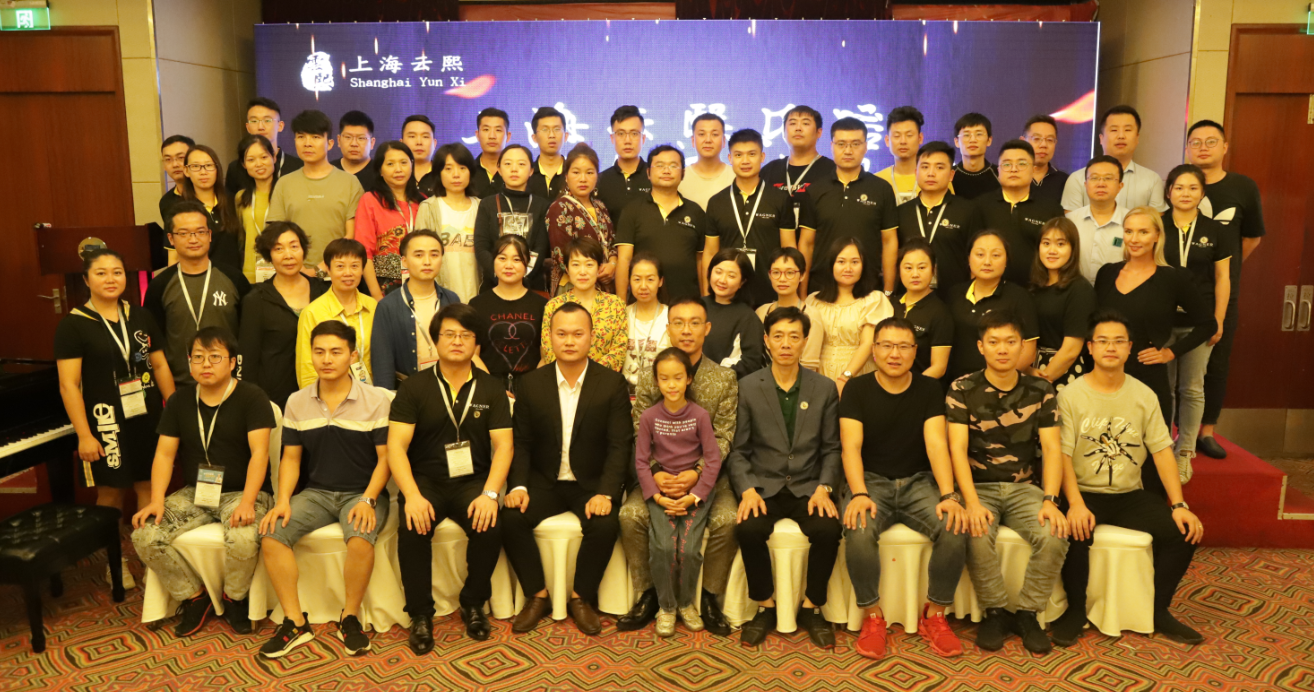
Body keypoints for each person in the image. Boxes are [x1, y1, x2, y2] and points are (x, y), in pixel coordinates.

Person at [1050, 311, 1206, 647]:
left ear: (1130, 347)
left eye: (1119, 341)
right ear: (1090, 347)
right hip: (1083, 491)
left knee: (1183, 532)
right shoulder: (1070, 396)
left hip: (1129, 494)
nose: (1111, 347)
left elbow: (1162, 451)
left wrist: (1179, 504)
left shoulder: (1144, 395)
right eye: (1103, 341)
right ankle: (1075, 611)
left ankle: (1158, 610)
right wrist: (1074, 503)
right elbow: (1061, 457)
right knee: (1074, 531)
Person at [257, 321, 392, 659]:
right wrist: (283, 501)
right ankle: (295, 621)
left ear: (352, 356)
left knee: (359, 536)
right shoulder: (297, 401)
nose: (327, 359)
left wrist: (368, 499)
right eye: (319, 352)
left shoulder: (376, 400)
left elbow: (386, 459)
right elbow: (290, 458)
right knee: (271, 534)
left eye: (335, 352)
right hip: (316, 493)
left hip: (362, 492)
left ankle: (350, 617)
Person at [130, 327, 275, 637]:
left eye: (214, 357)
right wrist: (156, 500)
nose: (205, 364)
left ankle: (234, 599)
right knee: (144, 534)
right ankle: (194, 598)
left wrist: (248, 502)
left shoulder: (252, 397)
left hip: (242, 492)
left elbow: (260, 455)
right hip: (197, 492)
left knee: (243, 537)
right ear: (189, 362)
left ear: (233, 362)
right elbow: (164, 455)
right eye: (198, 357)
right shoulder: (180, 400)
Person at [387, 304, 513, 651]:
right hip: (424, 481)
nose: (457, 341)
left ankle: (473, 602)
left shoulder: (491, 388)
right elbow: (396, 447)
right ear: (436, 340)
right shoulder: (414, 387)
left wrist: (490, 494)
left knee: (490, 524)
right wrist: (412, 496)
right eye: (449, 335)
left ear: (476, 344)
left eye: (465, 335)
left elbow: (504, 446)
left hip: (473, 481)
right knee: (412, 527)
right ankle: (420, 614)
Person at [501, 303, 632, 635]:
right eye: (561, 334)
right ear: (549, 337)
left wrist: (606, 493)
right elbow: (522, 443)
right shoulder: (531, 384)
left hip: (590, 484)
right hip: (544, 482)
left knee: (605, 524)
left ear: (591, 337)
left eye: (577, 333)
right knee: (510, 518)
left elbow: (619, 445)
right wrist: (518, 487)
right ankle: (537, 595)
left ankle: (580, 597)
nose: (569, 341)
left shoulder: (611, 383)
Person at [842, 316, 968, 659]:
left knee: (954, 524)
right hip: (871, 481)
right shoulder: (856, 389)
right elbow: (850, 447)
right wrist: (859, 493)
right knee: (858, 528)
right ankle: (872, 617)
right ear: (874, 350)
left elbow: (936, 444)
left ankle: (935, 614)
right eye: (886, 345)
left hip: (918, 481)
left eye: (903, 346)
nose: (894, 354)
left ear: (915, 351)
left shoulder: (929, 389)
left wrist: (949, 494)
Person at [948, 312, 1069, 654]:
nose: (1002, 349)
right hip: (978, 488)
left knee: (1055, 533)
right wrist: (971, 502)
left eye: (1010, 342)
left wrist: (1050, 499)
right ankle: (995, 612)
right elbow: (956, 449)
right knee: (975, 531)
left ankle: (1028, 614)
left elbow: (1052, 448)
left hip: (1024, 489)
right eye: (994, 342)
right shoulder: (962, 388)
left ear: (1023, 347)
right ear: (981, 347)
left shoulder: (1040, 389)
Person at [618, 297, 739, 637]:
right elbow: (638, 430)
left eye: (695, 323)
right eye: (679, 323)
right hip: (658, 475)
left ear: (707, 328)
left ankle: (709, 597)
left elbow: (724, 436)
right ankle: (649, 595)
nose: (687, 330)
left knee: (729, 519)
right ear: (668, 328)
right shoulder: (650, 376)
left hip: (710, 477)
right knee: (629, 515)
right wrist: (656, 473)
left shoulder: (724, 378)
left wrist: (696, 474)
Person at [57, 249, 176, 589]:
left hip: (147, 416)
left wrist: (175, 410)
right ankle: (116, 563)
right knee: (110, 494)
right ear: (86, 279)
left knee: (148, 487)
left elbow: (159, 364)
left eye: (117, 272)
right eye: (101, 273)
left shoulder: (140, 316)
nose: (111, 279)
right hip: (105, 422)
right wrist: (84, 435)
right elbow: (68, 385)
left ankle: (151, 560)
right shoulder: (73, 324)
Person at [730, 308, 842, 649]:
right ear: (766, 340)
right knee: (748, 528)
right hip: (764, 485)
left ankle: (812, 607)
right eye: (778, 336)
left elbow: (832, 448)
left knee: (828, 530)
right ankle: (765, 605)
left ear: (805, 341)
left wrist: (824, 488)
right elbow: (738, 450)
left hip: (808, 485)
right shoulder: (748, 386)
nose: (786, 344)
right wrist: (748, 489)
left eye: (794, 337)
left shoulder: (824, 388)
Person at [1094, 207, 1214, 488]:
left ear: (1157, 236)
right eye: (1129, 231)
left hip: (1147, 376)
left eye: (1143, 232)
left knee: (1147, 453)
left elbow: (1207, 324)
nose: (1134, 238)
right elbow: (1094, 323)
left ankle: (1153, 504)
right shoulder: (1107, 273)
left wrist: (1170, 352)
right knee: (1104, 449)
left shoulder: (1173, 278)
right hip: (1106, 375)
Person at [1186, 119, 1265, 460]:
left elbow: (1252, 238)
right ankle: (1174, 429)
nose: (1203, 147)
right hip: (1181, 290)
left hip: (1221, 291)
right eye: (1196, 142)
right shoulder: (1180, 182)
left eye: (1211, 141)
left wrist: (1225, 270)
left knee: (1217, 360)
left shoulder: (1242, 187)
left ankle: (1206, 431)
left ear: (1224, 147)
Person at [635, 347, 723, 636]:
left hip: (694, 493)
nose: (671, 385)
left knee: (688, 549)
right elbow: (641, 460)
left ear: (689, 379)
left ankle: (686, 603)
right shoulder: (649, 417)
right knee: (662, 547)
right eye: (664, 379)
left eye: (677, 378)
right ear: (656, 381)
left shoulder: (699, 415)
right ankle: (667, 606)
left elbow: (713, 459)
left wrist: (693, 496)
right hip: (661, 493)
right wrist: (658, 497)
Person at [1162, 164, 1235, 471]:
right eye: (1179, 187)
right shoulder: (1156, 224)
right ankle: (1162, 448)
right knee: (1163, 389)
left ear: (1202, 193)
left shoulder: (1215, 230)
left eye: (1193, 188)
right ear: (1168, 192)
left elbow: (1222, 278)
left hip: (1199, 322)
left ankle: (1185, 452)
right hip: (1161, 320)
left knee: (1191, 388)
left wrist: (1218, 319)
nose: (1185, 193)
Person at [145, 202, 251, 385]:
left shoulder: (235, 279)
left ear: (209, 235)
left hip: (231, 385)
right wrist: (171, 397)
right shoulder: (159, 286)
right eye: (184, 233)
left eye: (200, 232)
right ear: (171, 239)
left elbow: (248, 338)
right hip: (181, 387)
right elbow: (156, 351)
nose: (193, 239)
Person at [704, 129, 802, 306]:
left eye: (752, 154)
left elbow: (788, 248)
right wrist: (707, 298)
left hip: (769, 291)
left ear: (762, 156)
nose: (745, 161)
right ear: (730, 158)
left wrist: (790, 294)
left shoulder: (780, 198)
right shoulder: (717, 202)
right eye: (738, 155)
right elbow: (710, 252)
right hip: (727, 293)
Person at [239, 222, 329, 409]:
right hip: (275, 400)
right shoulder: (256, 299)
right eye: (278, 249)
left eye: (294, 246)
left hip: (323, 393)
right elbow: (248, 359)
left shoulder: (323, 292)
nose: (288, 255)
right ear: (269, 255)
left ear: (303, 250)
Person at [805, 118, 897, 295]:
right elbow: (807, 244)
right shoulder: (815, 190)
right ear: (831, 146)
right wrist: (802, 294)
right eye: (841, 144)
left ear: (866, 146)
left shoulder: (881, 189)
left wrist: (888, 291)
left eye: (855, 144)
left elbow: (889, 242)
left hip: (869, 289)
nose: (848, 150)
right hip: (821, 288)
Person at [267, 110, 365, 272]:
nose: (307, 143)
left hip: (339, 273)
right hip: (295, 273)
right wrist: (300, 269)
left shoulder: (350, 183)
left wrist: (321, 269)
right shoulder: (284, 183)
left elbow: (352, 235)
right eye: (301, 137)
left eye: (315, 137)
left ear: (330, 143)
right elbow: (276, 234)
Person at [614, 144, 709, 303]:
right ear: (648, 173)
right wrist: (621, 305)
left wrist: (707, 301)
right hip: (644, 303)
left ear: (683, 173)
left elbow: (701, 261)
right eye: (659, 165)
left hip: (687, 303)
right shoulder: (632, 210)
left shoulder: (696, 212)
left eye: (673, 166)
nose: (666, 170)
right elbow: (624, 260)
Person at [371, 230, 461, 391]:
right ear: (404, 261)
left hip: (450, 387)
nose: (427, 261)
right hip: (407, 391)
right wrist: (385, 397)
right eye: (419, 255)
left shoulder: (452, 299)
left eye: (434, 255)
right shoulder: (388, 306)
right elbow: (382, 362)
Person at [944, 230, 1039, 381]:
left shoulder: (1019, 297)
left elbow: (1028, 352)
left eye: (996, 255)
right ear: (969, 258)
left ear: (1006, 260)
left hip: (999, 384)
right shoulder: (954, 294)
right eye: (980, 254)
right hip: (954, 383)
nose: (987, 261)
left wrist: (995, 382)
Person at [802, 238, 893, 392]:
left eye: (855, 262)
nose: (848, 268)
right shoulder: (813, 300)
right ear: (831, 265)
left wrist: (845, 377)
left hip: (858, 374)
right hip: (819, 374)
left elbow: (867, 344)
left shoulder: (874, 299)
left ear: (863, 266)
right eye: (841, 262)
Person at [975, 139, 1066, 285]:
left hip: (1037, 288)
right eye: (1007, 164)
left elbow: (1060, 252)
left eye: (1022, 164)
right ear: (998, 170)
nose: (1014, 169)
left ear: (1033, 169)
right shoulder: (981, 205)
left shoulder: (1051, 208)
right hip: (990, 288)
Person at [895, 141, 977, 297]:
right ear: (916, 172)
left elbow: (975, 257)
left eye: (939, 167)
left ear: (951, 175)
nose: (931, 173)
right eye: (925, 167)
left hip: (955, 297)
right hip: (909, 297)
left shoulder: (968, 210)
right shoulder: (901, 212)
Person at [470, 235, 549, 391]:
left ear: (527, 264)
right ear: (493, 261)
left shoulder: (542, 305)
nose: (508, 265)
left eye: (517, 259)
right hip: (488, 387)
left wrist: (531, 387)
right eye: (502, 258)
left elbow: (546, 356)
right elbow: (472, 354)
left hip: (533, 387)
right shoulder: (477, 304)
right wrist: (494, 390)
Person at [296, 238, 378, 388]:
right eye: (340, 266)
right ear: (328, 269)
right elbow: (307, 369)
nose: (348, 273)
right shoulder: (313, 312)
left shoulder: (373, 307)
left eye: (354, 266)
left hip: (370, 394)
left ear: (362, 269)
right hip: (329, 395)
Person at [472, 144, 551, 294]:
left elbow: (541, 248)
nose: (514, 169)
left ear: (531, 170)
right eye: (508, 164)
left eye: (521, 164)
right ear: (499, 169)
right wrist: (500, 275)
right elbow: (481, 246)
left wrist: (522, 276)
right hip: (494, 285)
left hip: (531, 286)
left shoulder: (542, 205)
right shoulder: (487, 204)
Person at [1030, 218, 1098, 389]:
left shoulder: (1080, 289)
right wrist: (1027, 372)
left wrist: (1041, 383)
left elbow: (1071, 350)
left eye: (1060, 244)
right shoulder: (1034, 287)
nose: (1052, 250)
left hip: (1062, 373)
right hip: (1031, 370)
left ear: (1072, 249)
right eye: (1046, 243)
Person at [540, 237, 626, 372]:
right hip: (563, 379)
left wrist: (590, 376)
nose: (582, 271)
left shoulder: (615, 305)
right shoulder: (554, 306)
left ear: (599, 268)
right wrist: (573, 375)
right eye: (576, 265)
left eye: (589, 264)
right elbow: (549, 350)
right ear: (567, 269)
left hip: (604, 379)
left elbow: (618, 351)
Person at [1062, 105, 1167, 213]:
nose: (1121, 136)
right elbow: (1071, 222)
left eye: (1127, 130)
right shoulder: (1077, 179)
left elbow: (1156, 222)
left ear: (1137, 138)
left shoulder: (1152, 180)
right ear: (1101, 138)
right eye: (1114, 130)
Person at [354, 141, 424, 299]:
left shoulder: (423, 202)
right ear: (380, 170)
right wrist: (376, 295)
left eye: (403, 162)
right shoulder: (370, 200)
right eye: (390, 164)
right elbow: (364, 252)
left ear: (412, 165)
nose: (398, 169)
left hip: (422, 281)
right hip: (384, 285)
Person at [547, 143, 617, 294]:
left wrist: (612, 264)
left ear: (597, 176)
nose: (583, 179)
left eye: (589, 172)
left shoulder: (600, 206)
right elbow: (561, 255)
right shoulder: (559, 208)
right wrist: (593, 272)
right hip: (573, 285)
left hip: (604, 284)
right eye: (576, 172)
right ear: (566, 176)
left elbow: (611, 243)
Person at [415, 143, 481, 302]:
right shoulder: (429, 207)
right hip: (440, 296)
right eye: (448, 169)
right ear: (439, 173)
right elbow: (420, 253)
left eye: (462, 168)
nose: (456, 175)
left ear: (470, 172)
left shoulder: (481, 206)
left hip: (477, 294)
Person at [761, 106, 836, 227]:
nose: (798, 128)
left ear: (819, 132)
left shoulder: (832, 171)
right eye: (792, 123)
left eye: (805, 123)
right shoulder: (769, 170)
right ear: (784, 132)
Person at [893, 240, 952, 380]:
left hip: (920, 386)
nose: (915, 274)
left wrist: (909, 386)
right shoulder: (891, 304)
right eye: (908, 268)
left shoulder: (940, 312)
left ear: (933, 269)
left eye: (921, 267)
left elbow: (939, 367)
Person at [703, 248, 767, 379]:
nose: (722, 280)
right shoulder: (696, 306)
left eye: (731, 276)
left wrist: (714, 378)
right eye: (718, 272)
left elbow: (751, 363)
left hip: (725, 385)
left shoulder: (748, 318)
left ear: (742, 282)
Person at [179, 144, 243, 272]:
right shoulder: (181, 209)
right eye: (196, 166)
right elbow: (175, 256)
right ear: (186, 171)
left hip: (235, 278)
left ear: (217, 169)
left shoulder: (233, 201)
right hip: (200, 278)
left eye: (209, 165)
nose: (203, 172)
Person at [1066, 155, 1129, 284]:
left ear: (1120, 186)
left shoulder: (1131, 222)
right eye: (1094, 178)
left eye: (1108, 178)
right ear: (1085, 184)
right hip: (1076, 292)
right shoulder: (1070, 221)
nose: (1101, 184)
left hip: (1118, 292)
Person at [226, 97, 303, 193]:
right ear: (248, 128)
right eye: (254, 121)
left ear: (280, 126)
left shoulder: (298, 167)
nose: (260, 127)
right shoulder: (235, 169)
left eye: (267, 120)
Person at [596, 105, 651, 229]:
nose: (627, 140)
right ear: (612, 138)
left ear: (643, 138)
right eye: (621, 133)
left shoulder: (656, 176)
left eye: (634, 133)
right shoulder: (600, 180)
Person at [622, 253, 671, 389]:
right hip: (625, 390)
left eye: (650, 279)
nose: (643, 286)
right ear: (630, 281)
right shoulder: (621, 315)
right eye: (637, 279)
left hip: (661, 390)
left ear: (660, 281)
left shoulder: (671, 316)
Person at [234, 134, 277, 283]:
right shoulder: (241, 197)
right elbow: (241, 237)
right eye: (251, 160)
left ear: (274, 158)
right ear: (244, 164)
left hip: (282, 271)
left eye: (264, 157)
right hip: (250, 272)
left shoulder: (285, 193)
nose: (258, 164)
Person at [679, 113, 735, 210]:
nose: (708, 140)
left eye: (715, 134)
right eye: (701, 134)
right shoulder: (679, 177)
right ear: (693, 140)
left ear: (724, 141)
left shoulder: (736, 177)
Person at [875, 106, 926, 205]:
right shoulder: (876, 181)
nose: (903, 141)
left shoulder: (935, 179)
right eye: (897, 136)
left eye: (909, 135)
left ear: (920, 138)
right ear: (887, 140)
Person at [950, 113, 1000, 200]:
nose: (973, 140)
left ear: (989, 140)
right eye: (966, 135)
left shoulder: (999, 174)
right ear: (956, 142)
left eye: (979, 134)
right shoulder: (948, 176)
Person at [755, 247, 808, 323]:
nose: (782, 279)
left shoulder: (811, 315)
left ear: (802, 275)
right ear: (769, 275)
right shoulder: (761, 312)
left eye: (790, 273)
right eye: (776, 272)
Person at [1023, 114, 1067, 205]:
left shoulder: (1065, 182)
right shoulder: (1010, 176)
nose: (1043, 145)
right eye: (1036, 139)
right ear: (1023, 141)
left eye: (1050, 140)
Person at [330, 110, 378, 190]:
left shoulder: (381, 174)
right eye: (348, 137)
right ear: (339, 140)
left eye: (361, 138)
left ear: (372, 143)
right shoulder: (328, 171)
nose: (354, 143)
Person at [468, 107, 509, 198]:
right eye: (486, 129)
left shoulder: (516, 171)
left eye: (498, 130)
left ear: (508, 136)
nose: (492, 136)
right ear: (477, 135)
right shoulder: (467, 171)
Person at [528, 106, 567, 200]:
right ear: (534, 138)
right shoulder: (526, 174)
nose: (551, 135)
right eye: (545, 130)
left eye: (557, 129)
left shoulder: (574, 173)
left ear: (566, 136)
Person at [159, 134, 195, 228]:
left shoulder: (209, 195)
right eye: (168, 159)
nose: (175, 164)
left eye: (181, 158)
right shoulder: (166, 201)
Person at [401, 114, 439, 196]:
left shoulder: (444, 174)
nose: (419, 142)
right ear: (401, 143)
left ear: (434, 143)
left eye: (425, 137)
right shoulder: (393, 174)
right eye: (412, 136)